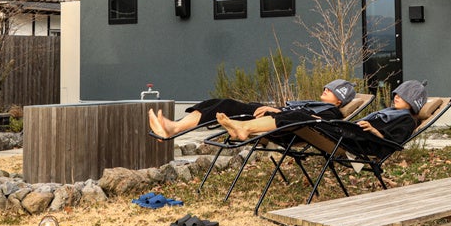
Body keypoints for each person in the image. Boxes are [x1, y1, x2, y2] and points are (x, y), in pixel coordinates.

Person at [217, 79, 428, 157]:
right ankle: (243, 127)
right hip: (349, 134)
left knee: (301, 116)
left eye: (403, 96)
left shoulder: (407, 120)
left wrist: (374, 131)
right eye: (397, 94)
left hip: (358, 143)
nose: (396, 97)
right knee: (298, 116)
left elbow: (395, 143)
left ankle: (245, 128)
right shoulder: (392, 113)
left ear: (414, 103)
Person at [147, 79, 356, 140]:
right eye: (327, 86)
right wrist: (273, 109)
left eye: (332, 90)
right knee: (225, 103)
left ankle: (243, 128)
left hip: (287, 129)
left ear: (340, 101)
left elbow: (309, 121)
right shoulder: (315, 103)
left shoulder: (332, 113)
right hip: (273, 117)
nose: (326, 89)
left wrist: (279, 112)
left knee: (297, 115)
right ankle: (174, 128)